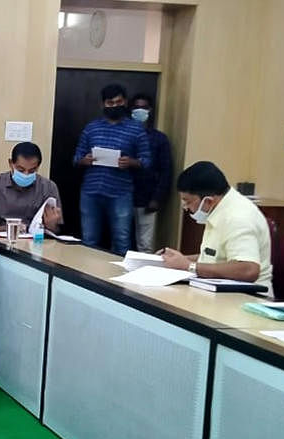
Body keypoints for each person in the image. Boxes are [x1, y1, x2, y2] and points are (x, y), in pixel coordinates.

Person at [158, 161, 273, 290]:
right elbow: (216, 257)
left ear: (208, 201)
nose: (185, 208)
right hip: (220, 289)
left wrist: (189, 266)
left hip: (247, 297)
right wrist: (179, 260)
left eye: (188, 202)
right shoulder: (219, 208)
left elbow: (248, 269)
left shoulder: (237, 217)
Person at [72, 84, 152, 255]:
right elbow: (76, 157)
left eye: (119, 102)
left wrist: (131, 162)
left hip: (121, 193)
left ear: (125, 102)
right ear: (102, 105)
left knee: (122, 241)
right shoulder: (91, 127)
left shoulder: (136, 129)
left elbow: (147, 160)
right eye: (110, 103)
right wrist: (84, 160)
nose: (115, 106)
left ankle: (118, 280)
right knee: (89, 240)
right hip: (91, 192)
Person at [0, 141, 62, 234]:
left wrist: (52, 226)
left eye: (32, 170)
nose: (26, 174)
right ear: (11, 163)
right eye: (21, 170)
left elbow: (57, 231)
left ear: (38, 167)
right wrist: (11, 228)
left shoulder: (49, 187)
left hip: (36, 244)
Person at [128, 93, 173, 253]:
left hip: (147, 198)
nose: (140, 111)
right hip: (123, 197)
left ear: (150, 110)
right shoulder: (125, 135)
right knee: (121, 242)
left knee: (145, 245)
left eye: (144, 107)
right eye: (136, 107)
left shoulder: (159, 139)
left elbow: (166, 171)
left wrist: (157, 198)